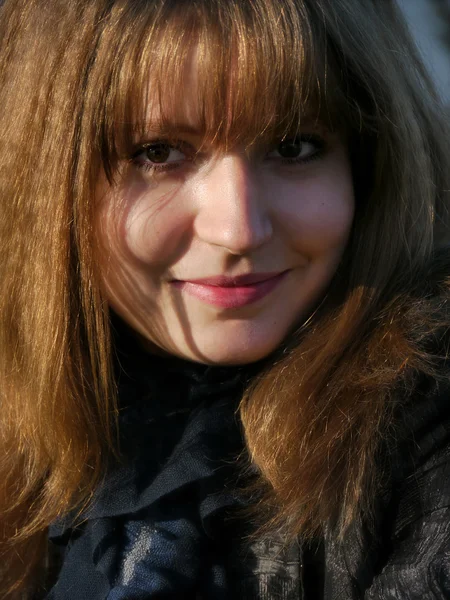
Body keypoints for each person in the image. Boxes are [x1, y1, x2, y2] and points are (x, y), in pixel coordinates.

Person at [0, 0, 449, 597]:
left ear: (372, 165)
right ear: (45, 175)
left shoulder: (429, 414)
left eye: (293, 146)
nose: (238, 229)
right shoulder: (22, 429)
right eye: (158, 152)